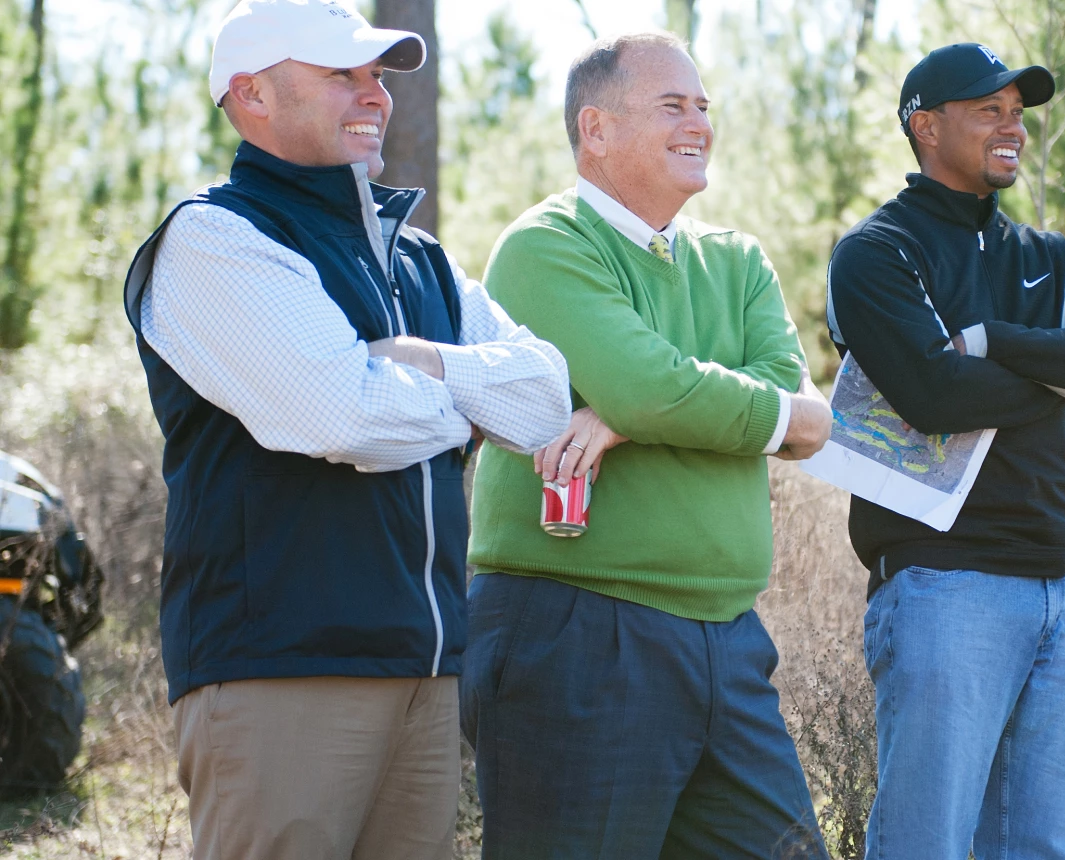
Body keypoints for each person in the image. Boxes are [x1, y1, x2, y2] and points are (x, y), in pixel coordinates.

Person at [120, 2, 571, 858]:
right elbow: (343, 414)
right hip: (283, 671)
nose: (375, 95)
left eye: (378, 76)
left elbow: (546, 400)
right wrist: (470, 403)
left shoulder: (421, 260)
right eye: (343, 75)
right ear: (251, 94)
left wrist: (422, 366)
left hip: (427, 673)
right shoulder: (213, 239)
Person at [460, 31, 833, 860]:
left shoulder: (737, 262)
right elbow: (656, 386)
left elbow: (812, 419)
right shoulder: (543, 248)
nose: (698, 122)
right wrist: (651, 401)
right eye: (672, 106)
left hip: (728, 639)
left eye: (703, 106)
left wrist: (632, 414)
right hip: (578, 635)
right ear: (595, 129)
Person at [826, 43, 1065, 859]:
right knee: (924, 846)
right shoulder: (877, 254)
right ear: (925, 126)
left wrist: (989, 340)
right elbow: (934, 398)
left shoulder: (1048, 259)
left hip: (1063, 590)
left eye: (1017, 112)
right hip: (944, 585)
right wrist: (1057, 375)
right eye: (988, 111)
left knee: (1047, 848)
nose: (1013, 128)